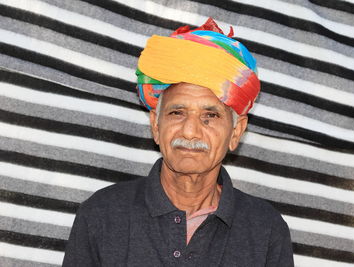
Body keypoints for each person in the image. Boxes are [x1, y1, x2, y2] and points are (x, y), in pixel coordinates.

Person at [62, 18, 294, 266]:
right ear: (156, 125)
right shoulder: (102, 214)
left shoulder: (266, 229)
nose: (191, 131)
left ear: (236, 131)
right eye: (177, 113)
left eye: (210, 116)